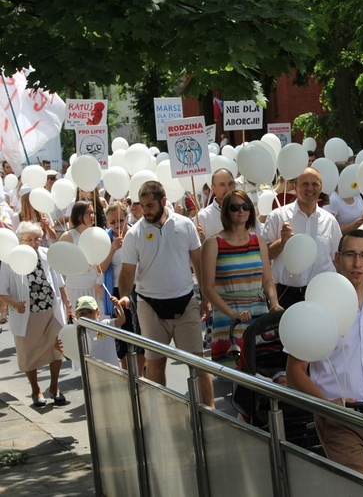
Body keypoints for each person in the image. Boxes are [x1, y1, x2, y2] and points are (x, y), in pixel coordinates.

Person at [286, 230, 363, 481]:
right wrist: (327, 407)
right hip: (340, 419)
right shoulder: (317, 307)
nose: (356, 263)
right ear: (337, 258)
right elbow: (294, 371)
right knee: (359, 489)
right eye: (350, 254)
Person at [119, 181, 215, 408]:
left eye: (150, 205)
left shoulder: (185, 225)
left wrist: (205, 296)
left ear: (163, 201)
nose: (146, 210)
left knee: (198, 364)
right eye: (142, 206)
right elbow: (126, 273)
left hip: (185, 302)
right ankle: (159, 413)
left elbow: (198, 262)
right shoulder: (134, 234)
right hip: (150, 306)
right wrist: (124, 295)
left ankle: (210, 414)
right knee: (155, 363)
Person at [201, 190, 281, 366]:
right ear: (226, 211)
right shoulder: (213, 243)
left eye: (245, 206)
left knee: (263, 369)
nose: (241, 211)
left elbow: (267, 280)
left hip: (258, 313)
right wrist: (232, 313)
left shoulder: (258, 241)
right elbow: (208, 287)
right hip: (228, 316)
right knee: (236, 373)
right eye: (235, 207)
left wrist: (274, 303)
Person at [0, 222, 70, 406]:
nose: (33, 243)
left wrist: (67, 302)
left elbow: (59, 282)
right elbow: (1, 290)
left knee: (58, 349)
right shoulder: (10, 260)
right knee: (28, 353)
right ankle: (35, 390)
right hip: (26, 316)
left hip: (51, 311)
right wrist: (14, 304)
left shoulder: (47, 254)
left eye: (36, 239)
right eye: (28, 239)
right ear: (20, 241)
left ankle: (55, 388)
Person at [262, 168, 342, 308]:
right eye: (305, 184)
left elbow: (337, 259)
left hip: (322, 293)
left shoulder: (330, 221)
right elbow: (264, 256)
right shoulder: (277, 216)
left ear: (321, 187)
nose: (310, 188)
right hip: (286, 295)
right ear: (295, 186)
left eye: (314, 184)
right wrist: (282, 242)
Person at [99, 201, 145, 373]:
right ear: (107, 222)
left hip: (139, 287)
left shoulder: (137, 233)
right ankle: (127, 374)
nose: (117, 225)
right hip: (117, 290)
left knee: (140, 331)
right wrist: (112, 249)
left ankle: (140, 373)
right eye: (112, 222)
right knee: (123, 333)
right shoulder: (105, 238)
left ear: (127, 218)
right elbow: (100, 269)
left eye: (120, 220)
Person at [59, 201, 102, 311]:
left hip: (95, 286)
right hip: (76, 287)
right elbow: (59, 261)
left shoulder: (97, 234)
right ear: (78, 216)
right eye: (88, 213)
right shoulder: (69, 236)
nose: (92, 216)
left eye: (93, 213)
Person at [197, 168, 236, 241]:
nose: (228, 189)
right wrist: (201, 241)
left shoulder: (245, 210)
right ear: (213, 188)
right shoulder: (203, 217)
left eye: (230, 183)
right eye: (222, 185)